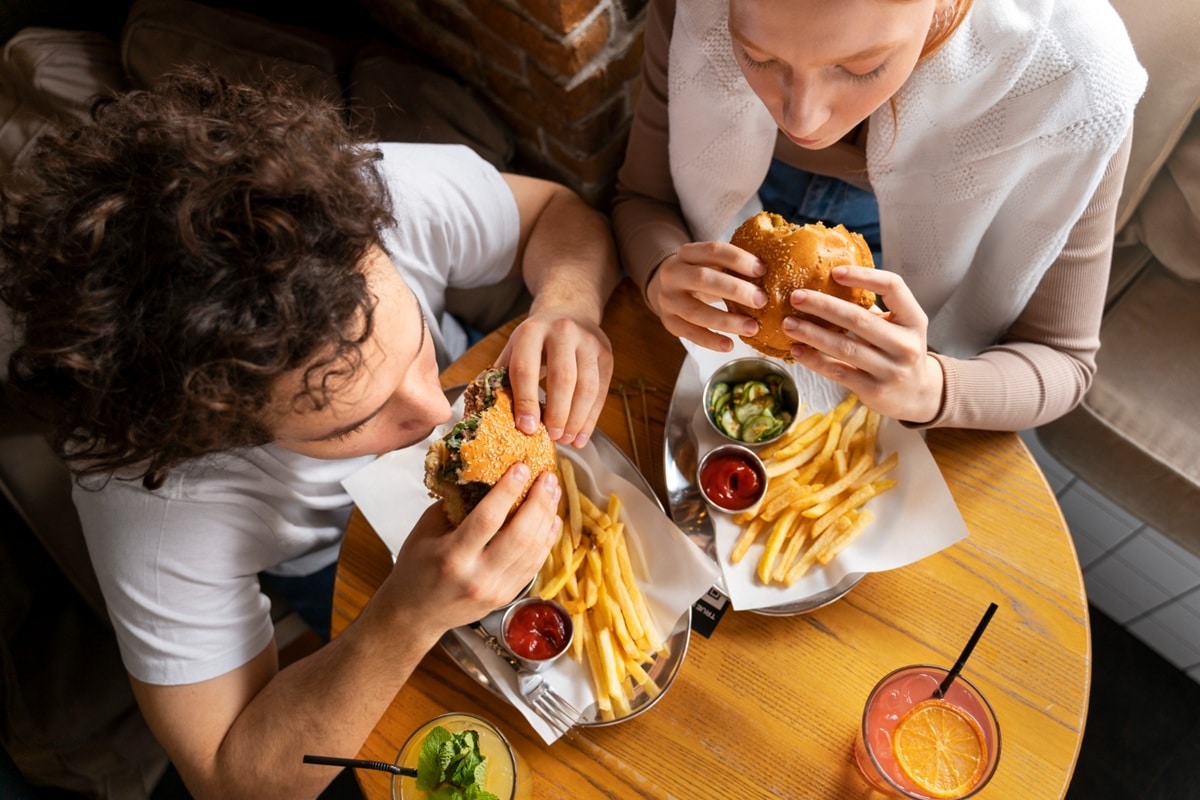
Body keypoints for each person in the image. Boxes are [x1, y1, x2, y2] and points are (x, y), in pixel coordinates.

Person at [0, 66, 619, 800]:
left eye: (414, 344)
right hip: (333, 572)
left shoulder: (359, 202)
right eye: (355, 422)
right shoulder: (151, 502)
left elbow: (556, 214)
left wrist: (569, 303)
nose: (434, 414)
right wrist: (404, 617)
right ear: (218, 431)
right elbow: (233, 779)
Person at [612, 0, 1146, 430]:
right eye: (758, 56)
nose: (803, 118)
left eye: (860, 66)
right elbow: (641, 199)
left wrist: (931, 387)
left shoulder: (1075, 83)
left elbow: (1063, 361)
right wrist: (661, 271)